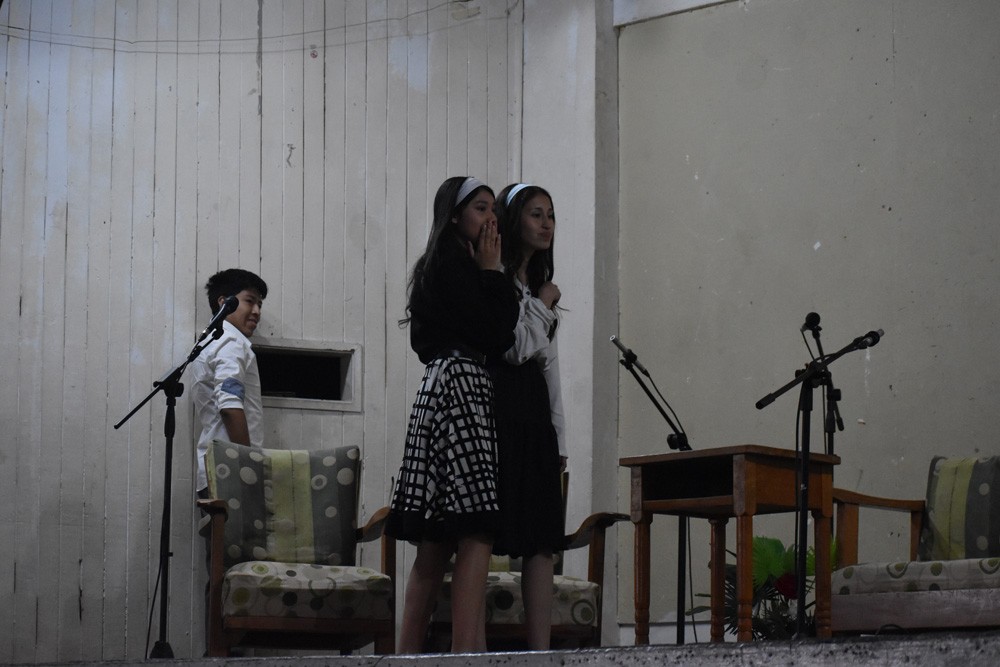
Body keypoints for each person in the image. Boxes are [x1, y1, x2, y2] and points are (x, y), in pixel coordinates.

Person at [385, 176, 520, 653]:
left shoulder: (440, 264)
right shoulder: (455, 265)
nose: (491, 218)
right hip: (461, 386)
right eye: (481, 208)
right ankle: (467, 654)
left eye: (493, 209)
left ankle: (407, 655)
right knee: (475, 527)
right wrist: (493, 272)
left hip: (445, 386)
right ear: (456, 215)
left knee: (439, 536)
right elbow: (496, 333)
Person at [489, 183, 566, 650]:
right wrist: (543, 304)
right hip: (500, 409)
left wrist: (560, 439)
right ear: (513, 218)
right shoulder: (495, 280)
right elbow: (514, 349)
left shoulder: (538, 290)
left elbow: (549, 368)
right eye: (536, 214)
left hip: (536, 416)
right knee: (487, 530)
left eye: (551, 215)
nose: (546, 223)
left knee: (541, 538)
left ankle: (540, 652)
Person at [190, 268, 269, 497]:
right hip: (231, 473)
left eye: (259, 305)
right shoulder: (231, 342)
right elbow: (229, 407)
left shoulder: (211, 340)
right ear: (224, 302)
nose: (257, 311)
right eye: (250, 301)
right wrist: (247, 465)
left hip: (217, 468)